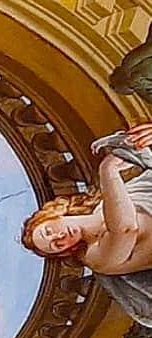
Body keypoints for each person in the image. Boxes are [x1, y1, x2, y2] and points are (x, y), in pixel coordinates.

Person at [21, 123, 152, 324]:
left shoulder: (101, 206)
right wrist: (108, 170)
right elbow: (126, 229)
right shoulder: (96, 258)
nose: (59, 236)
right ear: (64, 251)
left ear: (53, 215)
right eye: (56, 245)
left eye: (49, 231)